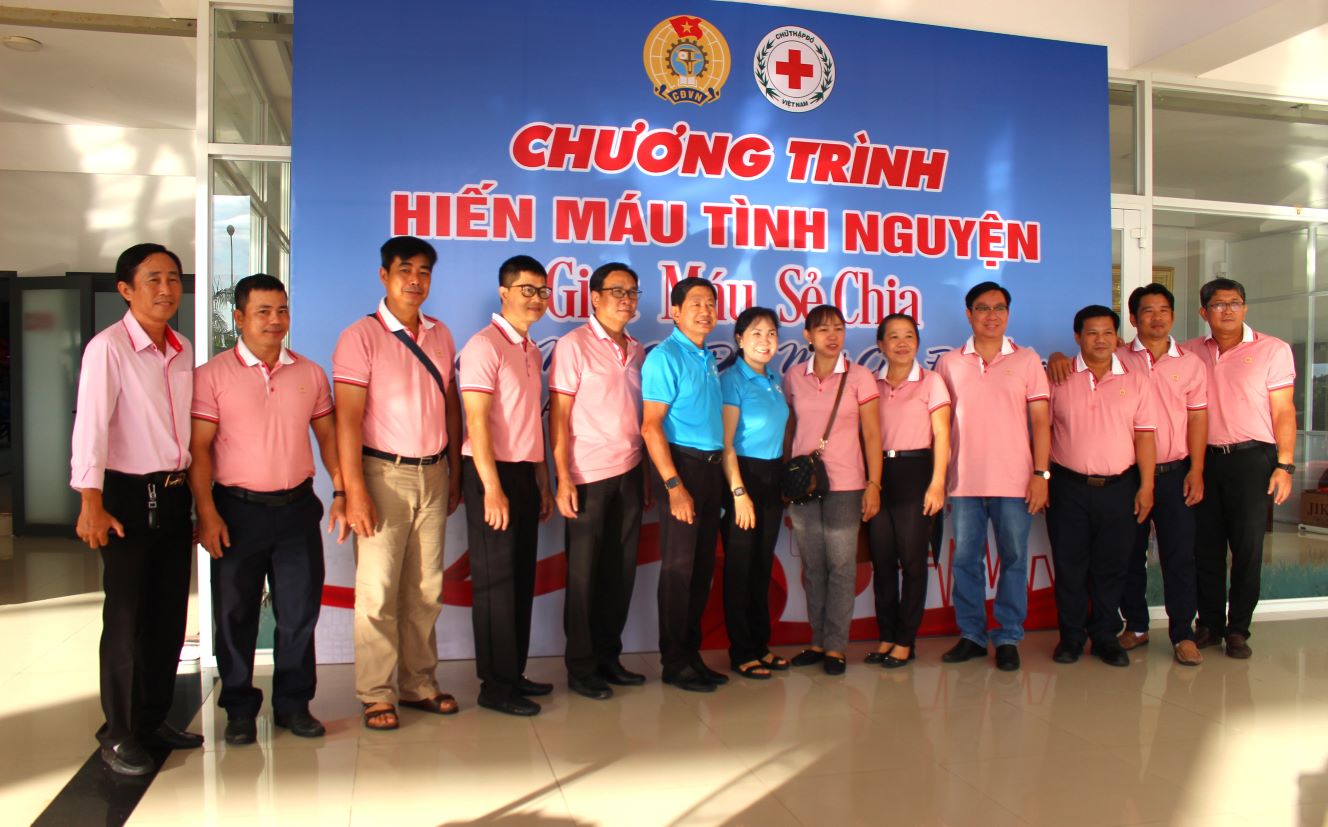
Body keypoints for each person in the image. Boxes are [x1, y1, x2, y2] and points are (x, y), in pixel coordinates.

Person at [189, 274, 349, 744]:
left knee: (299, 613)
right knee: (235, 614)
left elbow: (327, 438)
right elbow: (199, 450)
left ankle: (294, 705)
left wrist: (341, 490)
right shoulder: (212, 376)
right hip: (235, 511)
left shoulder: (309, 373)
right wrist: (207, 513)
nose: (275, 320)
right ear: (238, 317)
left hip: (297, 508)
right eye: (263, 312)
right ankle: (239, 709)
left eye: (281, 310)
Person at [71, 243, 201, 776]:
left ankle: (152, 720)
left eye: (173, 279)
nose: (166, 289)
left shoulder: (182, 347)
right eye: (153, 279)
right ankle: (118, 732)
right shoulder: (109, 349)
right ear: (126, 289)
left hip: (174, 493)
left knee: (168, 616)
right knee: (125, 619)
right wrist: (91, 503)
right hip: (125, 494)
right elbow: (91, 426)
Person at [332, 236, 463, 731]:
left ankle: (419, 683)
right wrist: (352, 489)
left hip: (434, 472)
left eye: (424, 271)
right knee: (378, 591)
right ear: (384, 275)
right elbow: (347, 419)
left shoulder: (442, 334)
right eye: (405, 270)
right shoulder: (359, 337)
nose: (415, 280)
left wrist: (453, 468)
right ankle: (376, 693)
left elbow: (449, 401)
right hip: (381, 473)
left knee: (426, 588)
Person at [935, 281, 1051, 672]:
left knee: (1014, 559)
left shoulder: (1028, 359)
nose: (991, 315)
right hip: (964, 481)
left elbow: (1041, 421)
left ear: (1008, 314)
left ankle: (1008, 636)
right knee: (967, 560)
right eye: (982, 308)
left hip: (1015, 481)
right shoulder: (949, 363)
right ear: (969, 314)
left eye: (999, 308)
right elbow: (940, 425)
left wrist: (1041, 473)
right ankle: (970, 635)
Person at [460, 254, 555, 715]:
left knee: (520, 579)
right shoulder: (484, 345)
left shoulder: (530, 348)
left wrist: (539, 477)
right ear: (504, 292)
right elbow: (476, 421)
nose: (536, 298)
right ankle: (494, 687)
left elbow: (527, 421)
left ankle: (513, 672)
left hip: (522, 471)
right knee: (496, 583)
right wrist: (492, 488)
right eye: (526, 290)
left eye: (542, 290)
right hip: (489, 473)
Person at [549, 262, 649, 700]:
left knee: (620, 573)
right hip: (587, 475)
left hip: (630, 470)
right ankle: (581, 666)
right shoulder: (574, 345)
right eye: (616, 291)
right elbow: (559, 414)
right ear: (594, 297)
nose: (626, 299)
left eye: (632, 292)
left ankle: (610, 657)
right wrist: (563, 477)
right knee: (585, 577)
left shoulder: (638, 349)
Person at [1185, 277, 1296, 659]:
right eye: (1218, 304)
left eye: (1235, 303)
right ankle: (1210, 624)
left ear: (1245, 308)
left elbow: (1283, 410)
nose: (1227, 310)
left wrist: (1285, 465)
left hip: (1253, 460)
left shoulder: (1272, 350)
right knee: (1207, 547)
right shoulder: (1188, 352)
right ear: (1204, 312)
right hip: (1203, 462)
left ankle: (1238, 629)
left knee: (1247, 548)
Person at [1046, 305, 1156, 667]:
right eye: (1092, 333)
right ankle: (1072, 637)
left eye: (1108, 332)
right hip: (1068, 486)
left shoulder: (1136, 380)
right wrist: (1041, 478)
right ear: (1078, 337)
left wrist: (1147, 486)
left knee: (1112, 566)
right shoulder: (1057, 377)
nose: (1100, 340)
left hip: (1120, 487)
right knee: (1070, 565)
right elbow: (1040, 431)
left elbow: (1144, 437)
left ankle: (1106, 636)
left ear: (1117, 337)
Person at [785, 304, 882, 676]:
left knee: (841, 567)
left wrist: (874, 483)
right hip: (804, 488)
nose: (832, 336)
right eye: (823, 329)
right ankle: (817, 640)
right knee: (813, 567)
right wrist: (785, 478)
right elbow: (790, 429)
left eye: (838, 329)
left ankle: (836, 647)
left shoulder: (860, 377)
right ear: (807, 336)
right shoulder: (794, 376)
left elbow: (872, 434)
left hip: (847, 484)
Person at [641, 277, 727, 692]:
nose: (705, 310)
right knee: (678, 570)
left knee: (701, 570)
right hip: (683, 470)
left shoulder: (706, 356)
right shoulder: (665, 356)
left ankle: (692, 654)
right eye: (695, 303)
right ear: (674, 312)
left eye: (711, 303)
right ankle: (674, 662)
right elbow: (651, 427)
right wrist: (674, 485)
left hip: (711, 471)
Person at [1115, 285, 1207, 665]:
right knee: (1128, 553)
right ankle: (1135, 626)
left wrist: (1197, 470)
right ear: (1134, 319)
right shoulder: (1116, 359)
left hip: (1175, 472)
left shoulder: (1190, 364)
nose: (1156, 317)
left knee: (1179, 555)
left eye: (1164, 310)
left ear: (1172, 315)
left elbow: (1198, 418)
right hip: (1127, 475)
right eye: (1147, 311)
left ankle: (1183, 634)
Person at [867, 314, 950, 668]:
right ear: (881, 345)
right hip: (877, 475)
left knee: (914, 563)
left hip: (917, 473)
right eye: (893, 337)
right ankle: (887, 636)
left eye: (909, 336)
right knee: (883, 562)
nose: (902, 343)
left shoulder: (932, 382)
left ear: (917, 343)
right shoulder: (870, 384)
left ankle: (906, 640)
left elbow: (943, 435)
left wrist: (937, 483)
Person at [718, 306, 791, 680]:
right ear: (740, 339)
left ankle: (761, 645)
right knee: (740, 570)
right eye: (757, 333)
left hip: (771, 478)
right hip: (741, 479)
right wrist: (738, 492)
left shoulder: (775, 379)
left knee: (761, 569)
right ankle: (741, 651)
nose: (765, 341)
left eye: (772, 334)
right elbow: (725, 443)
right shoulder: (733, 380)